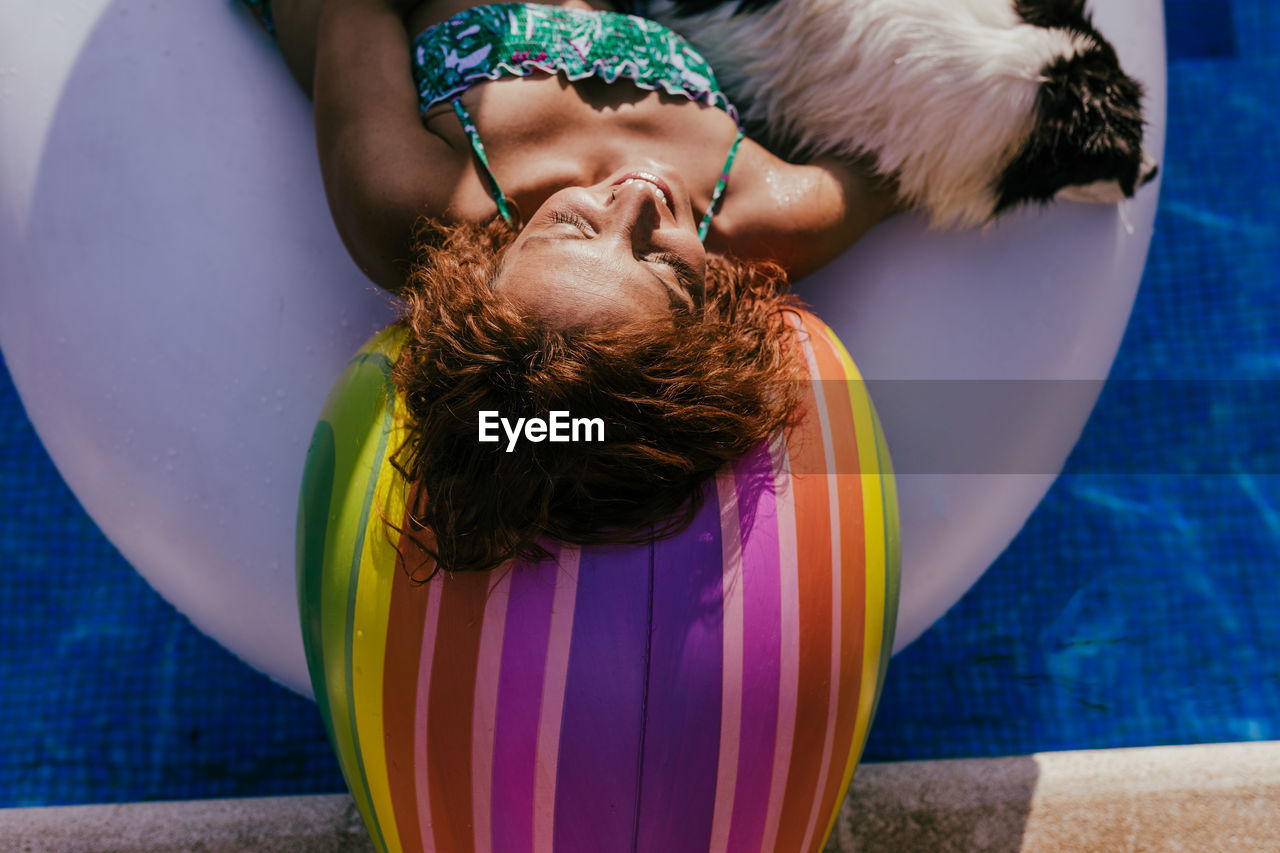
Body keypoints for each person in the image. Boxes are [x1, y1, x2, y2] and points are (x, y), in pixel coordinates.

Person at [245, 0, 902, 573]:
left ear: (485, 278)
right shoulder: (770, 215)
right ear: (710, 333)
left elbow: (355, 9)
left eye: (569, 227)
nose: (635, 202)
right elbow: (921, 150)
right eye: (666, 267)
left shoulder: (410, 201)